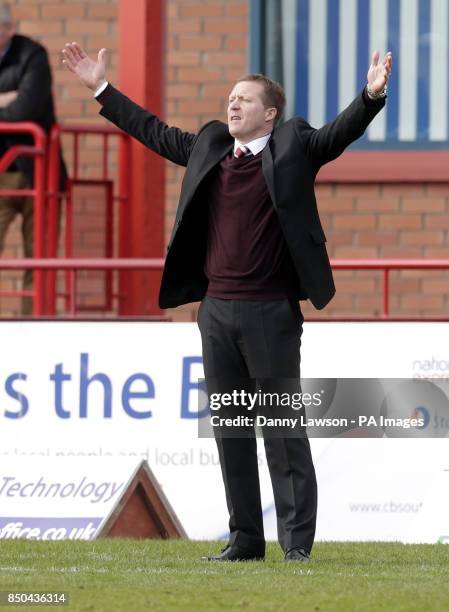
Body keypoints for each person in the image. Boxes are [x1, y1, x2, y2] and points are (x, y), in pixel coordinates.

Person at [62, 40, 392, 562]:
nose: (232, 105)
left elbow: (336, 134)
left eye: (244, 99)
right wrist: (101, 87)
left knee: (282, 431)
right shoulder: (210, 147)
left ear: (270, 113)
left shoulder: (293, 147)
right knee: (231, 429)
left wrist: (370, 97)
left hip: (271, 312)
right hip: (215, 311)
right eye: (230, 98)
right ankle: (244, 540)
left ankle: (296, 547)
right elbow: (153, 130)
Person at [0, 2, 66, 314]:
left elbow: (25, 108)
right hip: (3, 169)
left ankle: (34, 325)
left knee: (38, 256)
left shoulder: (32, 55)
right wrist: (5, 99)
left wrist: (12, 104)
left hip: (37, 169)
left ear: (9, 29)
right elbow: (14, 106)